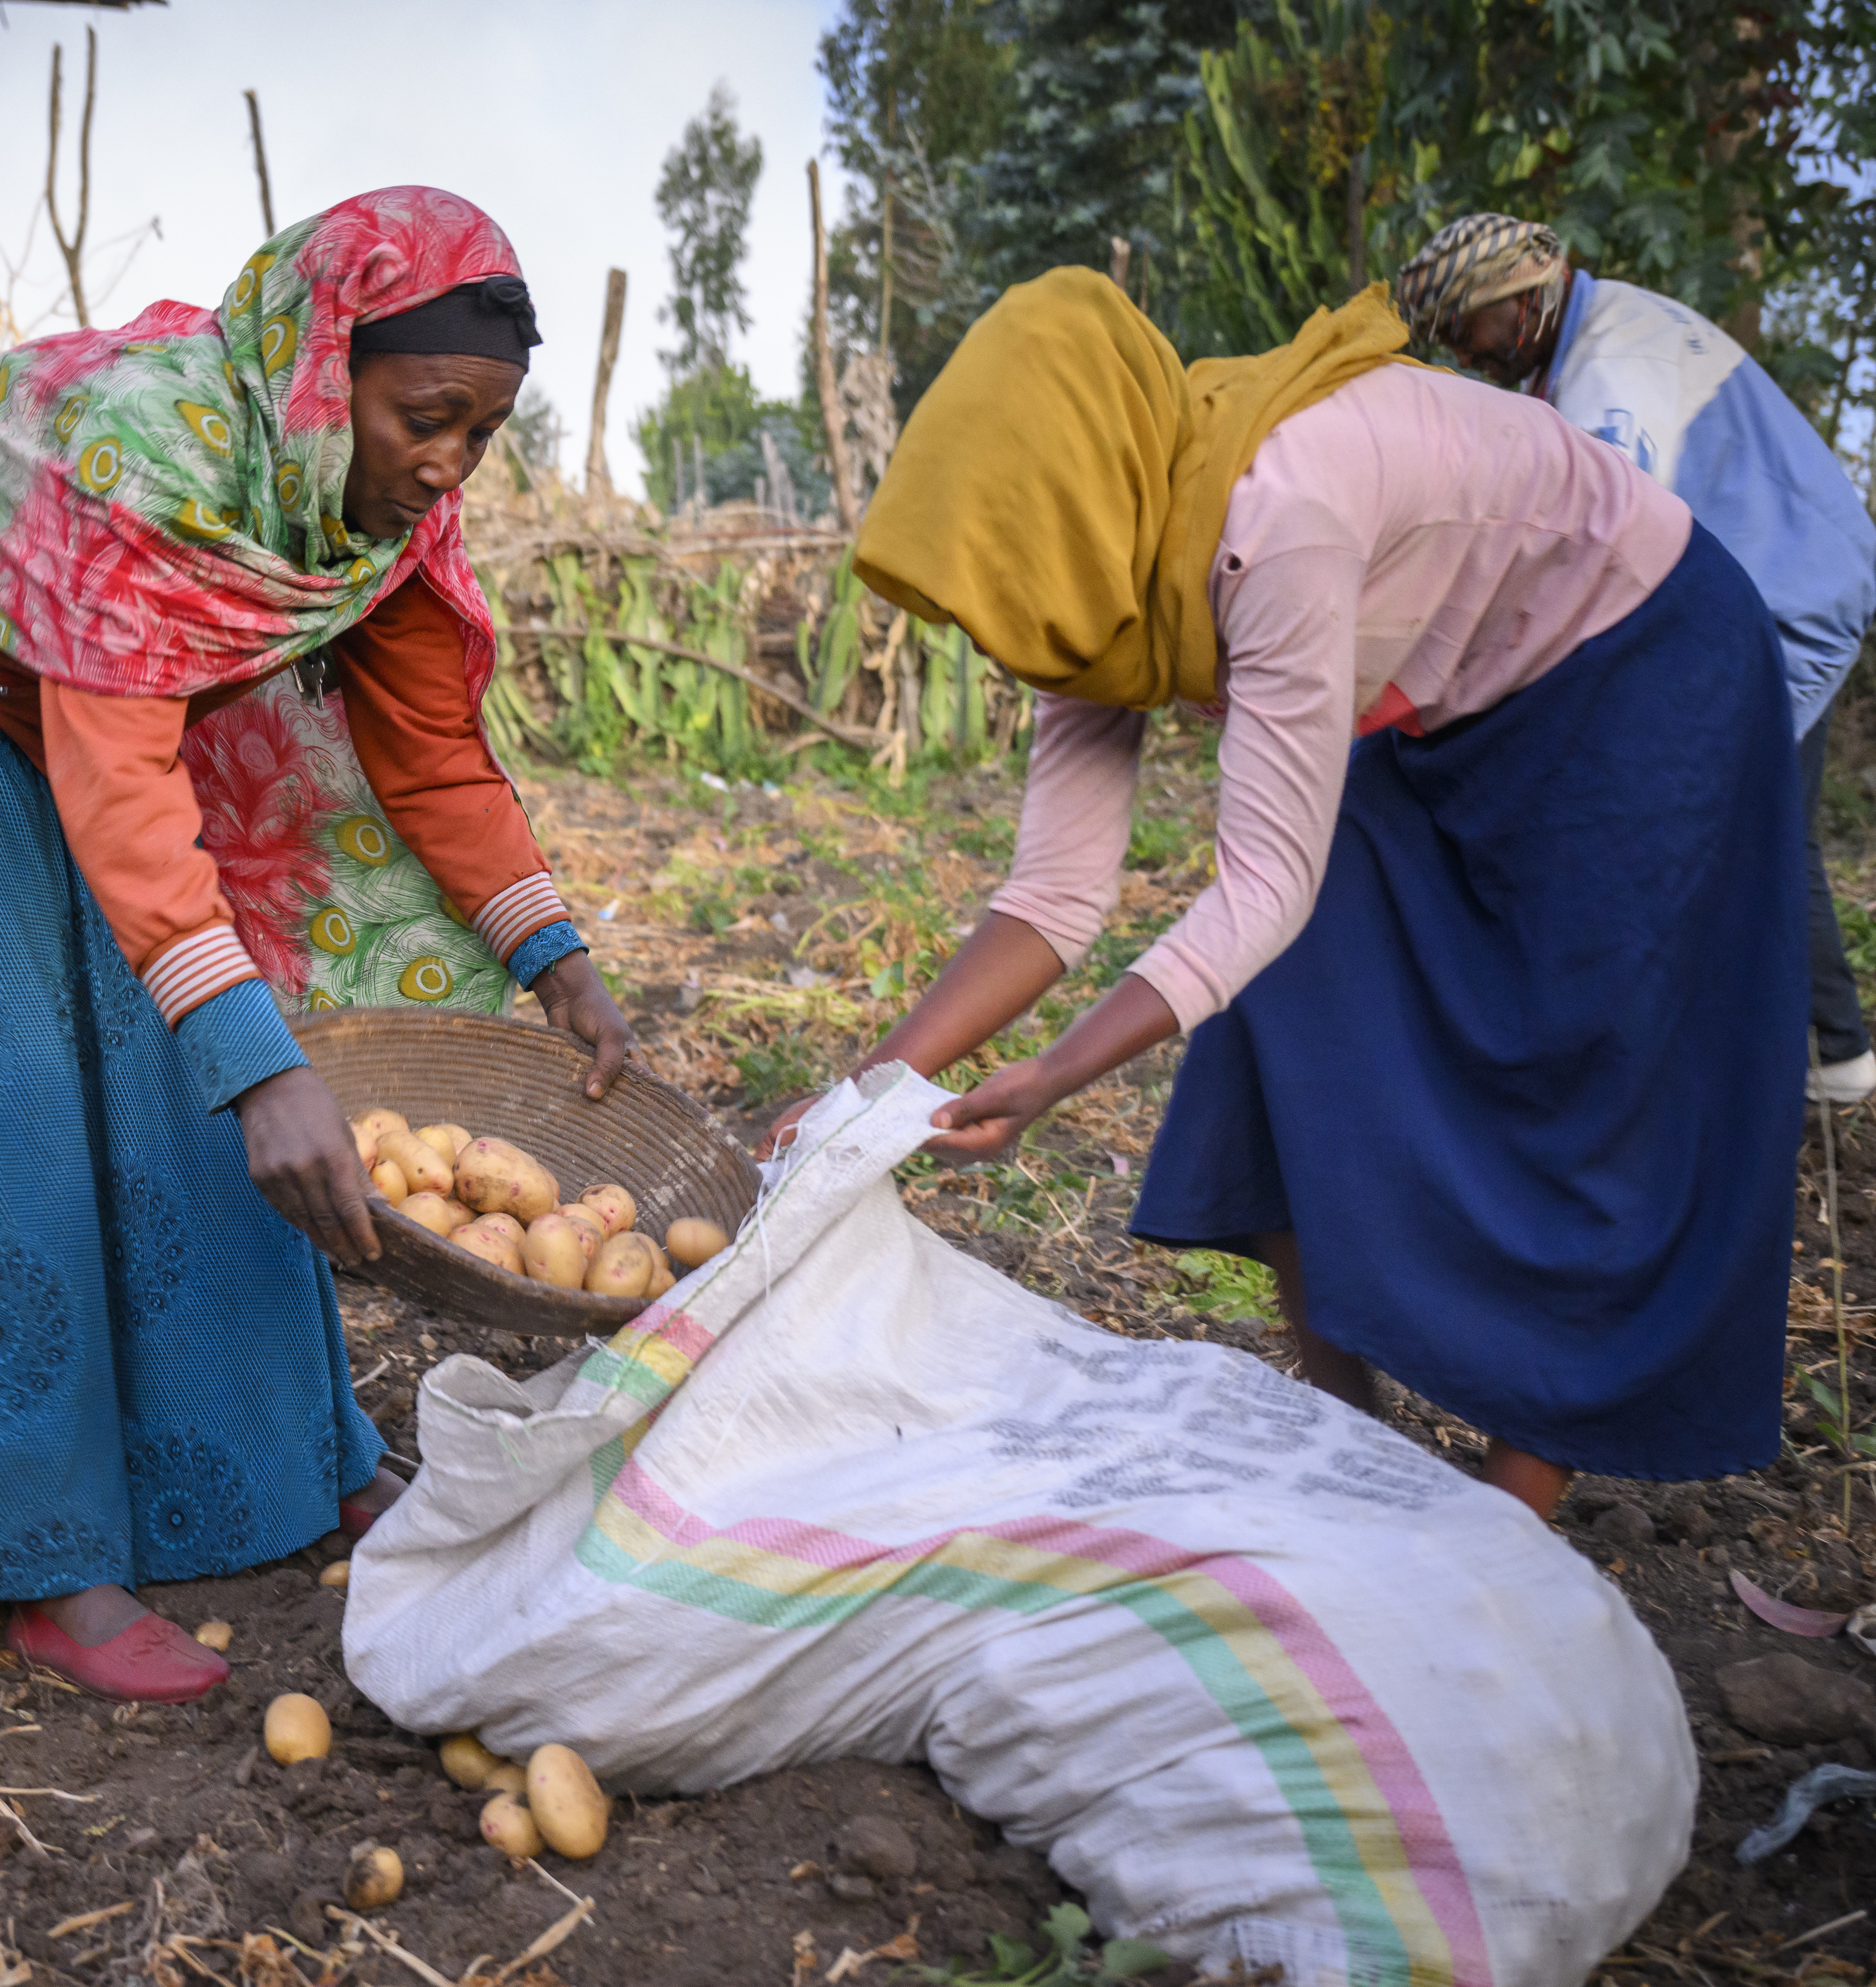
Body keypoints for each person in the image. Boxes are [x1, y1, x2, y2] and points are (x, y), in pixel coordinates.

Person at [0, 188, 633, 1702]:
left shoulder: (376, 508)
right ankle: (41, 1557)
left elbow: (428, 748)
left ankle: (280, 1465)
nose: (445, 460)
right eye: (424, 416)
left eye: (479, 433)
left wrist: (559, 959)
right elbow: (123, 778)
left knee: (196, 1086)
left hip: (78, 719)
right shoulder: (147, 451)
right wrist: (250, 1057)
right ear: (318, 372)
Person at [769, 271, 1806, 1519]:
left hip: (1642, 663)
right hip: (1447, 687)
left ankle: (1506, 1524)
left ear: (1068, 493)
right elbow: (1053, 891)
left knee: (1584, 1079)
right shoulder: (1100, 577)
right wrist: (864, 1092)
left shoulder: (1279, 516)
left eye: (1003, 581)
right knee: (1285, 1030)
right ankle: (1344, 1451)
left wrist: (1050, 1079)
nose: (1002, 639)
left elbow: (1262, 886)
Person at [1394, 215, 1876, 1107]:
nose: (1463, 358)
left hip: (1789, 593)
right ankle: (1818, 1051)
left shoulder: (1608, 384)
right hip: (1761, 567)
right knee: (1758, 816)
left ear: (1520, 302)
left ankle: (1789, 1059)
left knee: (1713, 814)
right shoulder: (1593, 329)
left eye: (1464, 333)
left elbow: (1595, 571)